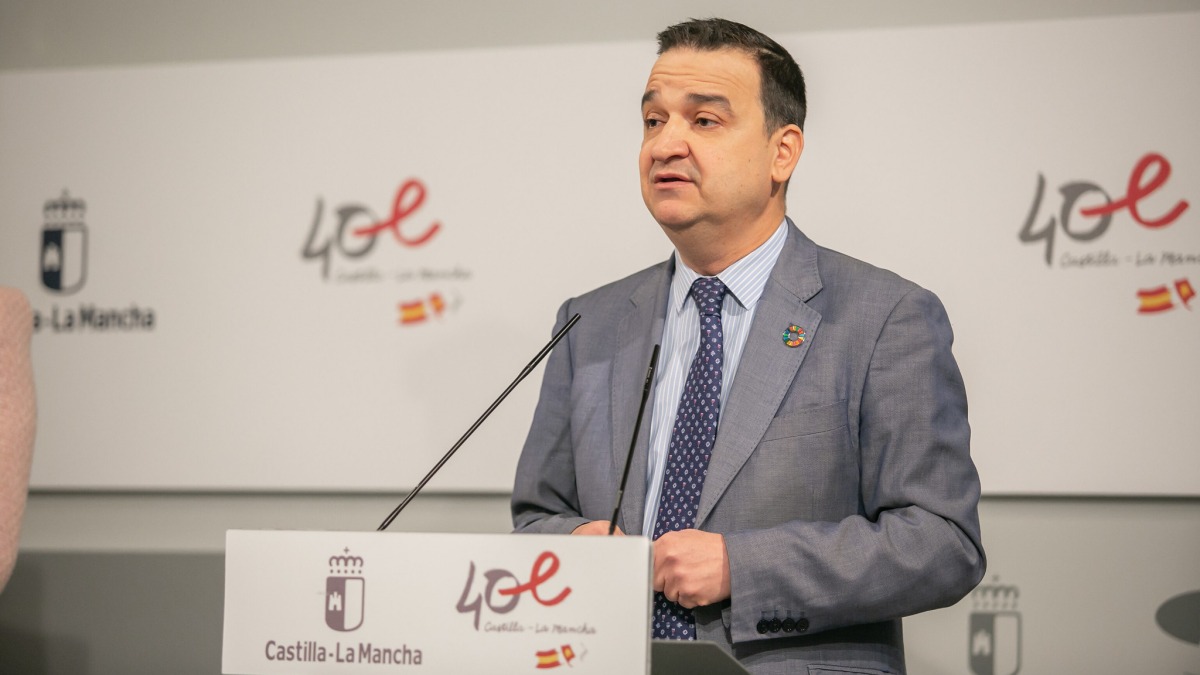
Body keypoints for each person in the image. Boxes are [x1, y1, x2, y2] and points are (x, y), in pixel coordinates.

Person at [512, 17, 984, 674]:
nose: (665, 144)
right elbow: (538, 514)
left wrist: (744, 566)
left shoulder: (884, 317)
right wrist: (575, 542)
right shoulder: (589, 322)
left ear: (781, 152)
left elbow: (942, 541)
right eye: (653, 121)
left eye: (704, 120)